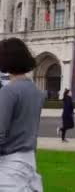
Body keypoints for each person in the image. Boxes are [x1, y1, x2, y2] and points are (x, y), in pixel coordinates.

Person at [0, 38, 45, 191]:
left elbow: (0, 132)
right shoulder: (36, 91)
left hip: (10, 164)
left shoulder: (9, 91)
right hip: (29, 159)